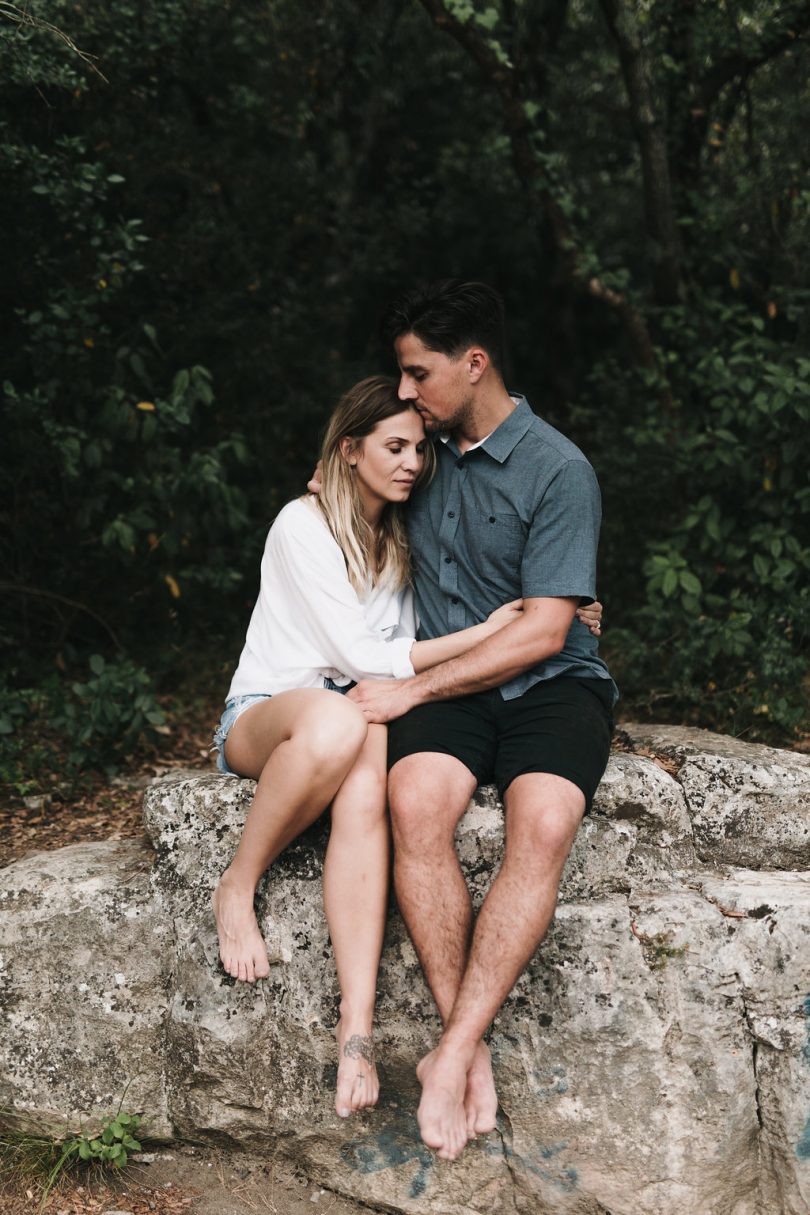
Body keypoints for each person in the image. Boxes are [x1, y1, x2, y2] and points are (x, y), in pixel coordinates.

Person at [211, 375, 603, 1124]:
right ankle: (238, 880)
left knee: (371, 783)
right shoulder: (302, 525)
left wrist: (560, 609)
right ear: (348, 452)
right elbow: (366, 656)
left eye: (419, 449)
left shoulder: (395, 538)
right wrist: (499, 628)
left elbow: (403, 646)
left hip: (354, 713)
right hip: (270, 713)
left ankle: (355, 1030)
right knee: (339, 721)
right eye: (394, 447)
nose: (413, 463)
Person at [345, 280, 618, 1161]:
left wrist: (409, 692)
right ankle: (476, 1051)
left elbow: (546, 630)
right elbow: (338, 497)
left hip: (553, 684)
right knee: (416, 800)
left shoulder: (559, 468)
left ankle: (454, 1047)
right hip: (457, 692)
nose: (407, 392)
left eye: (419, 373)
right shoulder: (416, 456)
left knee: (542, 819)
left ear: (475, 362)